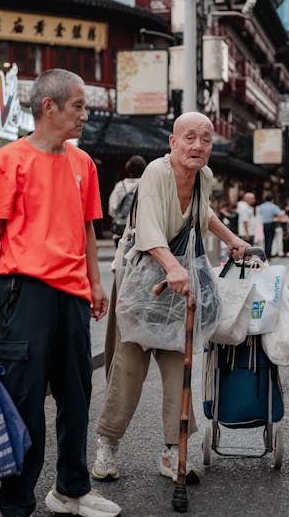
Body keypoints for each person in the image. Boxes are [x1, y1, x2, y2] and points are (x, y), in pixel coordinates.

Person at [0, 69, 120, 517]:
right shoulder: (8, 160)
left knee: (77, 395)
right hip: (23, 291)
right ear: (48, 107)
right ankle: (17, 503)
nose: (85, 115)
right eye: (78, 105)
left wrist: (94, 282)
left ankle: (72, 489)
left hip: (71, 294)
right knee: (25, 400)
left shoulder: (83, 163)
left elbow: (88, 230)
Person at [92, 111, 248, 484]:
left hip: (178, 286)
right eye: (190, 137)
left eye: (206, 139)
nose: (198, 145)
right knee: (128, 367)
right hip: (141, 282)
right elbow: (147, 226)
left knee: (180, 365)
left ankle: (172, 450)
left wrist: (232, 240)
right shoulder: (155, 173)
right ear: (173, 142)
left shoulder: (203, 177)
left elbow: (203, 214)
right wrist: (171, 266)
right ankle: (107, 445)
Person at [108, 155, 147, 247]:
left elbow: (112, 209)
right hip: (141, 232)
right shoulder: (147, 185)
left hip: (120, 232)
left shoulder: (120, 186)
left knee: (120, 260)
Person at [258, 194, 284, 260]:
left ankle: (265, 254)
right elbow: (280, 214)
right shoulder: (273, 206)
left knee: (266, 240)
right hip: (271, 223)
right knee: (270, 239)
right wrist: (276, 218)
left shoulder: (261, 206)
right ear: (272, 200)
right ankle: (268, 255)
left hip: (264, 224)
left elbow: (259, 214)